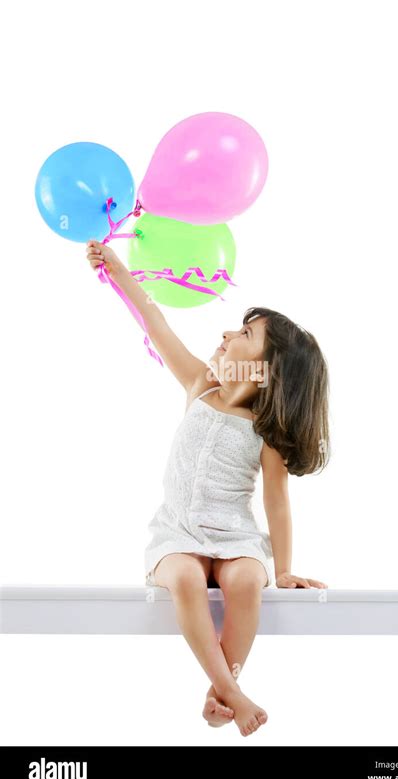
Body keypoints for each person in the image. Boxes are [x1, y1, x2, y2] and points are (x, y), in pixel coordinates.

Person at [86, 239, 330, 737]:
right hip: (178, 531)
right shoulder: (202, 385)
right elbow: (156, 323)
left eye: (245, 333)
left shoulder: (266, 428)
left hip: (235, 535)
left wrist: (282, 571)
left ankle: (223, 689)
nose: (227, 333)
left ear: (267, 369)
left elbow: (276, 501)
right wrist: (117, 270)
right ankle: (229, 691)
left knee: (244, 580)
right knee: (185, 578)